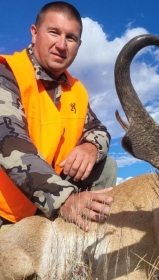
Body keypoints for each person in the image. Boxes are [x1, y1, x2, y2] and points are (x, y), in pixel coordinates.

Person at [0, 1, 117, 232]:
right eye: (54, 32)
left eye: (71, 38)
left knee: (106, 166)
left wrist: (90, 147)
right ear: (35, 33)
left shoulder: (76, 90)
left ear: (79, 45)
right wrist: (64, 199)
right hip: (6, 211)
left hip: (46, 201)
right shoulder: (7, 72)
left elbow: (100, 130)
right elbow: (8, 141)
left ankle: (80, 241)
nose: (61, 45)